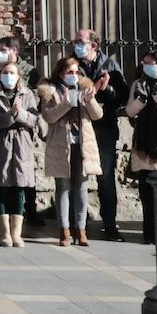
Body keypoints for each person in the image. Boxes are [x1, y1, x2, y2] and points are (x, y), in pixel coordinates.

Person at [39, 56, 103, 246]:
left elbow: (97, 115)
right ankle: (64, 230)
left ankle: (81, 229)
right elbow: (49, 116)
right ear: (61, 74)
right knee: (63, 188)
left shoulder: (85, 89)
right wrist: (65, 103)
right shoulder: (50, 92)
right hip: (61, 146)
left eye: (76, 72)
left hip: (83, 146)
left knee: (82, 188)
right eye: (69, 72)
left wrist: (90, 101)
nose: (74, 76)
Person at [71, 29, 127, 240]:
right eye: (76, 41)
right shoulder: (72, 65)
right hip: (78, 125)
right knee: (77, 176)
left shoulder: (109, 66)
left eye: (80, 41)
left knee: (105, 178)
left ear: (93, 46)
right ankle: (79, 224)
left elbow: (121, 96)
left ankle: (110, 224)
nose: (76, 44)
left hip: (104, 128)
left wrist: (106, 90)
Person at [0, 60, 38, 247]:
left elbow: (33, 119)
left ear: (19, 76)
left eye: (12, 73)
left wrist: (19, 113)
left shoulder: (28, 94)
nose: (9, 76)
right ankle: (4, 233)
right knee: (2, 189)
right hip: (1, 147)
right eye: (5, 73)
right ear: (0, 75)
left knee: (19, 189)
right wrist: (10, 116)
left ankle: (17, 233)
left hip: (22, 147)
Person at [125, 53, 157, 244]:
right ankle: (148, 232)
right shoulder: (138, 84)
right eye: (145, 63)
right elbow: (130, 111)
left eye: (151, 63)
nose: (146, 66)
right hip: (142, 142)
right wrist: (140, 101)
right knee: (146, 192)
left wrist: (156, 95)